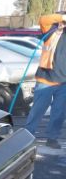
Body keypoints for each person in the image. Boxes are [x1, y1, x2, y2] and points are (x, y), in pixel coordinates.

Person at [24, 13, 66, 149]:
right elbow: (43, 19)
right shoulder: (52, 31)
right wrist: (62, 18)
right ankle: (28, 137)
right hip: (45, 79)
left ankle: (52, 138)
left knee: (59, 113)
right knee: (37, 111)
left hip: (63, 83)